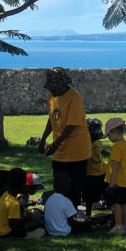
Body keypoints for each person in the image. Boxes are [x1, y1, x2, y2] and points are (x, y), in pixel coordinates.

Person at [38, 68, 91, 208]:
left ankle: (73, 216)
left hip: (77, 150)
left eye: (54, 88)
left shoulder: (74, 97)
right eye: (50, 88)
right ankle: (61, 214)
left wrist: (55, 144)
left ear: (62, 85)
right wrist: (43, 140)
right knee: (59, 186)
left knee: (74, 188)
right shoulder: (52, 97)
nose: (52, 91)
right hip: (60, 151)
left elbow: (71, 125)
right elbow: (52, 119)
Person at [104, 117, 126, 236]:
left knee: (116, 204)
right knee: (124, 203)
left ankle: (118, 226)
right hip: (125, 181)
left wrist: (112, 181)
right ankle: (125, 225)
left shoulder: (116, 146)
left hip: (116, 181)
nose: (109, 138)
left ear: (114, 132)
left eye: (109, 135)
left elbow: (115, 165)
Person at [0, 167, 41, 237]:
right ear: (20, 184)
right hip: (7, 233)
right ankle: (29, 235)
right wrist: (26, 217)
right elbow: (14, 224)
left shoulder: (6, 194)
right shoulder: (14, 203)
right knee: (35, 222)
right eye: (25, 182)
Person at [44, 171, 92, 236]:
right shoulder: (66, 201)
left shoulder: (49, 199)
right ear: (67, 186)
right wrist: (86, 222)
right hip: (64, 232)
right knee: (87, 225)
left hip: (50, 231)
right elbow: (72, 222)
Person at [83, 117, 108, 217]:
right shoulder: (84, 143)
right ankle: (88, 215)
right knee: (89, 198)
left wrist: (112, 154)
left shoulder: (96, 141)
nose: (95, 137)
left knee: (107, 193)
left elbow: (101, 151)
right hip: (90, 175)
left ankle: (112, 211)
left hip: (102, 172)